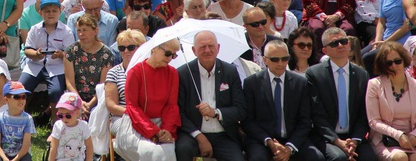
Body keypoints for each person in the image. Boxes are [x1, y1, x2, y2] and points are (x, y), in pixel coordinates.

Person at [243, 40, 324, 160]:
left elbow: (305, 121)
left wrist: (289, 148)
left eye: (285, 59)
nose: (281, 63)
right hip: (262, 140)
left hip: (293, 138)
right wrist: (269, 141)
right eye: (275, 59)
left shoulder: (300, 83)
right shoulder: (252, 83)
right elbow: (248, 121)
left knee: (317, 158)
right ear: (265, 60)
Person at [306, 27, 377, 161]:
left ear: (349, 44)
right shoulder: (315, 74)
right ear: (325, 51)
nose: (340, 46)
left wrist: (355, 141)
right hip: (326, 137)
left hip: (353, 136)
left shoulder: (362, 74)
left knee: (369, 158)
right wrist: (337, 141)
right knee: (339, 157)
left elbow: (364, 112)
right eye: (334, 43)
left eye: (344, 41)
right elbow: (317, 114)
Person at [175, 30, 246, 160]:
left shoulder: (230, 71)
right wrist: (199, 136)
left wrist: (215, 112)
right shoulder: (183, 73)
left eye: (211, 46)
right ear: (193, 50)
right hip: (193, 133)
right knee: (182, 150)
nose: (207, 50)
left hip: (224, 134)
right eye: (202, 47)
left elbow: (240, 109)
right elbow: (179, 111)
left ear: (218, 48)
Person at [114, 37, 179, 160]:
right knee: (152, 152)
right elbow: (132, 106)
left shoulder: (172, 73)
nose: (170, 58)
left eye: (174, 55)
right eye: (167, 53)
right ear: (154, 49)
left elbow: (171, 106)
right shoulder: (135, 72)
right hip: (135, 125)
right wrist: (154, 131)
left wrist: (166, 130)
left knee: (168, 152)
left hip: (163, 125)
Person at [19, 0, 74, 116]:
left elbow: (70, 55)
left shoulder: (66, 31)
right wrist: (36, 54)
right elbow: (27, 50)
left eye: (54, 11)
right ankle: (19, 118)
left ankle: (56, 123)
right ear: (40, 13)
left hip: (56, 67)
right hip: (35, 65)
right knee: (20, 89)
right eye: (47, 11)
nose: (51, 14)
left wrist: (60, 54)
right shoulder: (35, 29)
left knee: (56, 91)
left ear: (60, 12)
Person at [365, 41, 416, 159]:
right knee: (400, 157)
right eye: (389, 63)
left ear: (404, 61)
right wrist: (398, 135)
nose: (394, 66)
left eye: (398, 61)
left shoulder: (415, 85)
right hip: (386, 140)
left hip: (412, 140)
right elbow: (373, 121)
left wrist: (413, 135)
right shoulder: (374, 85)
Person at [64, 13, 114, 118]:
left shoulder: (106, 54)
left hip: (97, 97)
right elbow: (69, 83)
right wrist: (80, 103)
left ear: (95, 31)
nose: (81, 34)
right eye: (79, 30)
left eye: (85, 30)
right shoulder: (71, 51)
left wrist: (89, 105)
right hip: (75, 96)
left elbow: (103, 85)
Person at [105, 29, 145, 135]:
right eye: (122, 48)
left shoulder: (149, 70)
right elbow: (111, 106)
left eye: (131, 47)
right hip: (122, 117)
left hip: (148, 116)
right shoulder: (113, 73)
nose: (126, 51)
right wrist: (135, 114)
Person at [0, 81, 35, 161]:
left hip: (21, 154)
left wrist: (15, 160)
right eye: (17, 97)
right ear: (6, 100)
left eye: (23, 97)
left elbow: (26, 146)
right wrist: (4, 158)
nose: (21, 100)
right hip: (2, 153)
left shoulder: (28, 119)